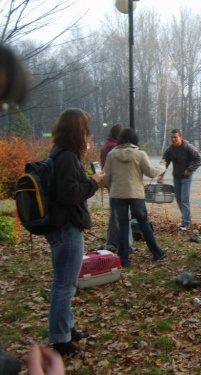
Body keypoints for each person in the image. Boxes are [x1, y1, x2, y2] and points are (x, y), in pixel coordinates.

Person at [44, 108, 104, 356]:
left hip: (63, 225)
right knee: (65, 285)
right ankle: (61, 340)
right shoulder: (66, 156)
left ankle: (66, 328)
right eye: (86, 129)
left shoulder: (59, 152)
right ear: (78, 130)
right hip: (66, 227)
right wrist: (94, 181)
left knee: (65, 282)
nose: (88, 134)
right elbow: (70, 194)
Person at [104, 128, 167, 267]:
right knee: (144, 224)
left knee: (123, 226)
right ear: (135, 139)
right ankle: (157, 252)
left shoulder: (112, 155)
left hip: (118, 194)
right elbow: (151, 172)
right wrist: (162, 166)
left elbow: (106, 176)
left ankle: (123, 259)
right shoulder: (140, 154)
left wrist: (112, 187)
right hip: (135, 194)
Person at [99, 124, 136, 254]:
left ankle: (112, 242)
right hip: (118, 186)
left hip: (112, 185)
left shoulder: (106, 145)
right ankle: (124, 245)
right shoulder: (113, 148)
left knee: (114, 216)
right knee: (123, 217)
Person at [159, 129, 201, 231]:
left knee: (184, 199)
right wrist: (161, 176)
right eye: (172, 137)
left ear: (180, 137)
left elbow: (198, 159)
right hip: (176, 176)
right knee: (178, 199)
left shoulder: (188, 147)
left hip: (186, 177)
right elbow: (164, 162)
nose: (173, 139)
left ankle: (186, 223)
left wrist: (190, 169)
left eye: (175, 137)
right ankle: (185, 219)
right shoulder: (170, 149)